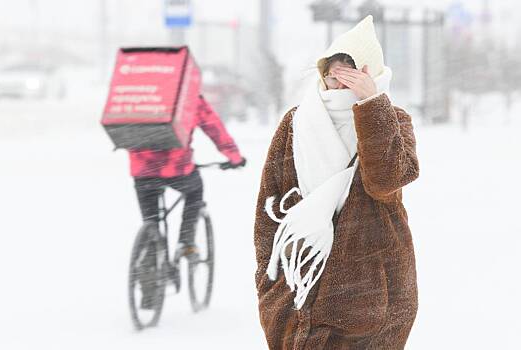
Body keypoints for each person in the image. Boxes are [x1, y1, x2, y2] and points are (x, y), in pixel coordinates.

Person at [254, 15, 419, 349]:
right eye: (334, 79)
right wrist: (268, 284)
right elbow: (269, 207)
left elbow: (387, 180)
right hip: (299, 292)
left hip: (374, 297)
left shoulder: (392, 118)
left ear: (370, 75)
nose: (340, 89)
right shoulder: (296, 123)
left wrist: (371, 105)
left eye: (352, 79)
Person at [131, 94, 246, 258]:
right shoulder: (187, 93)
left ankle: (150, 256)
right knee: (195, 190)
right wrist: (234, 157)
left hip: (142, 169)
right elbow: (214, 127)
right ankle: (186, 243)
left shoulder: (138, 92)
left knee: (151, 221)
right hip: (176, 168)